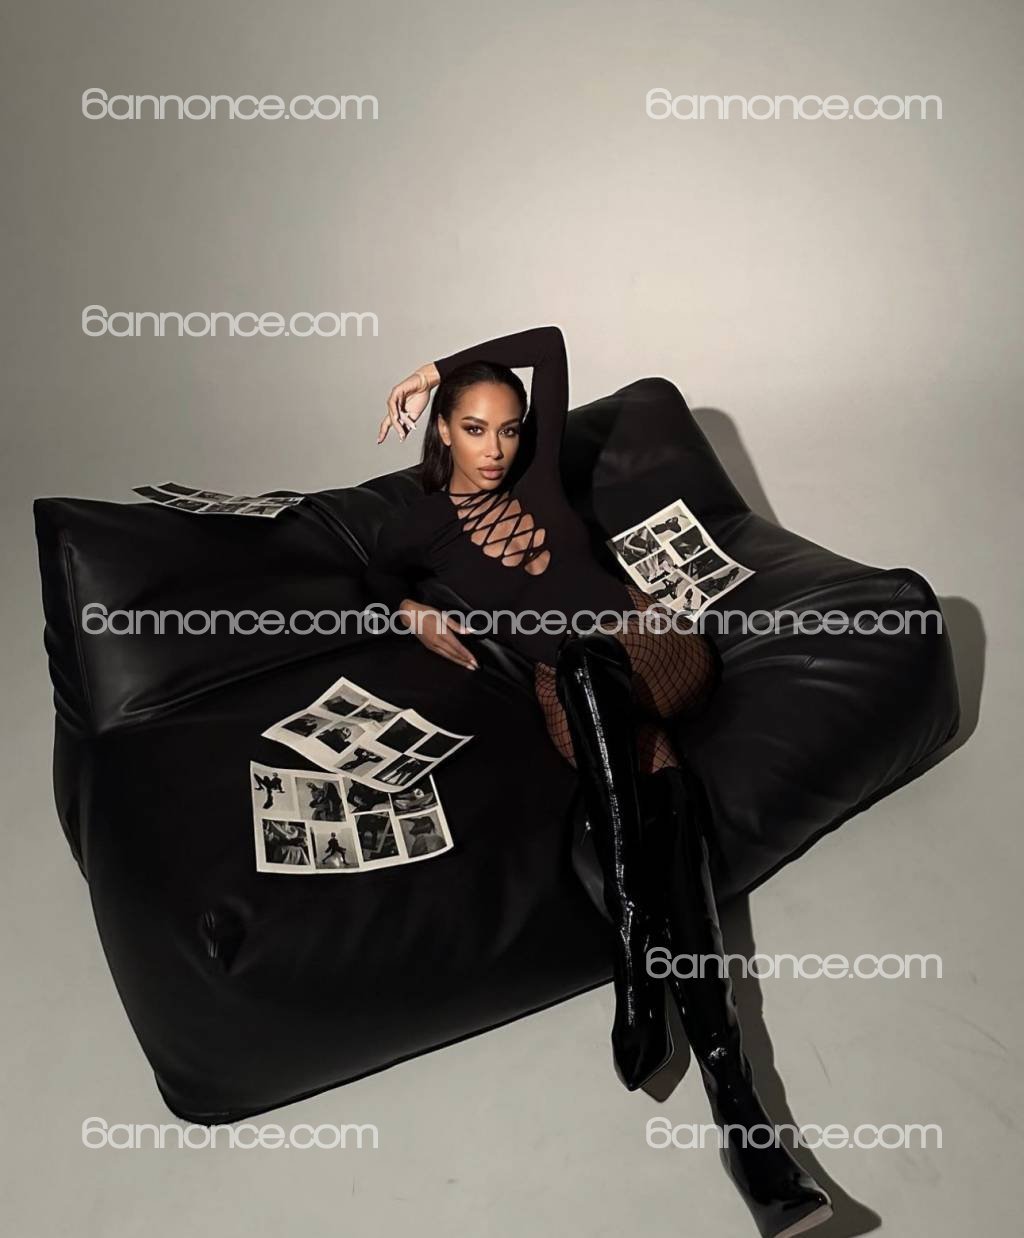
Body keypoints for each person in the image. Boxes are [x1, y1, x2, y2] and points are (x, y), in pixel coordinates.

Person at [366, 326, 832, 1238]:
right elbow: (364, 575)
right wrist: (411, 608)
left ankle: (631, 953)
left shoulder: (539, 473)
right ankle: (746, 1127)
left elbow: (546, 343)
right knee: (666, 804)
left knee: (584, 660)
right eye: (473, 427)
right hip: (577, 703)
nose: (496, 448)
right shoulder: (418, 524)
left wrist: (433, 367)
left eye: (508, 428)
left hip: (651, 649)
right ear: (442, 432)